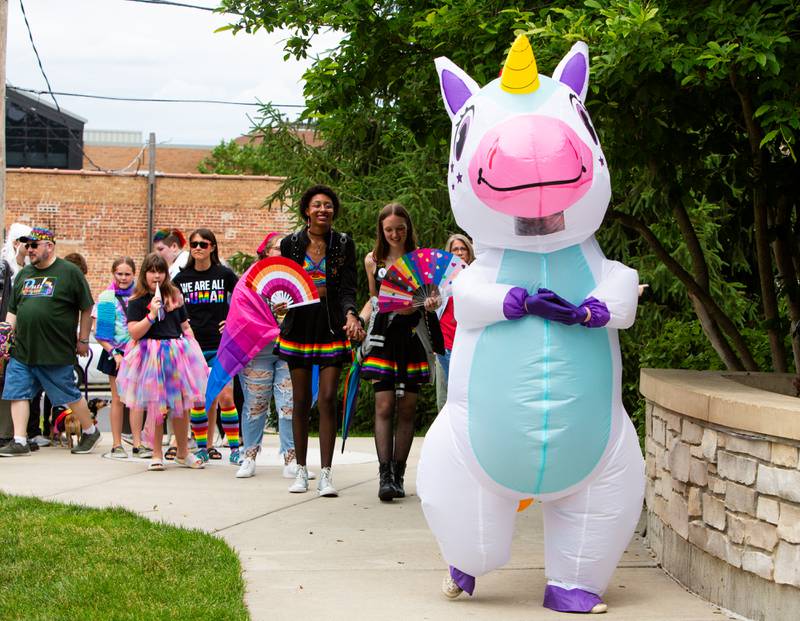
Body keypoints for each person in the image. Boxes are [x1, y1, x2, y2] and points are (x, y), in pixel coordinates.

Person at [275, 184, 363, 496]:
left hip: (330, 326)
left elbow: (348, 288)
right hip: (300, 325)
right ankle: (301, 471)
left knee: (326, 398)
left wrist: (351, 314)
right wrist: (281, 302)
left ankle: (326, 474)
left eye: (328, 205)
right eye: (317, 205)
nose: (322, 210)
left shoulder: (343, 243)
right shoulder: (291, 244)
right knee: (300, 401)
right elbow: (284, 284)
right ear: (306, 211)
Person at [358, 203, 443, 501]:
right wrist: (358, 319)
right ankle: (385, 477)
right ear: (381, 230)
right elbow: (374, 299)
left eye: (400, 229)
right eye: (389, 229)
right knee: (383, 406)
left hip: (413, 337)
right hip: (384, 337)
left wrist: (432, 301)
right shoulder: (373, 260)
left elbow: (433, 296)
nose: (395, 234)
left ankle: (399, 474)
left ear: (408, 229)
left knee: (407, 409)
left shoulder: (422, 261)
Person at [0, 227, 101, 457]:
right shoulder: (25, 274)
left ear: (50, 246)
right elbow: (14, 310)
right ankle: (19, 440)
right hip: (23, 348)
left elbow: (86, 307)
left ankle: (90, 431)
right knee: (17, 392)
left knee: (69, 394)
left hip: (54, 350)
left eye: (34, 245)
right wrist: (4, 336)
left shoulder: (69, 272)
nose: (29, 249)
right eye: (27, 245)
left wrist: (84, 339)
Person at [116, 253, 206, 471]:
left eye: (160, 271)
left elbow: (184, 326)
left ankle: (183, 452)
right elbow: (134, 333)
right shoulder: (137, 300)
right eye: (152, 271)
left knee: (182, 406)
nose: (156, 276)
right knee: (157, 406)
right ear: (144, 274)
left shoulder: (174, 294)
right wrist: (152, 314)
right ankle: (157, 453)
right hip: (151, 354)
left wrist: (195, 349)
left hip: (176, 352)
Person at [236, 233, 309, 480]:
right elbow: (241, 310)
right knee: (255, 406)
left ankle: (292, 458)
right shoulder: (250, 278)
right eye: (277, 247)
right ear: (265, 251)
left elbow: (310, 306)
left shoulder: (297, 275)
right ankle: (249, 456)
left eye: (284, 247)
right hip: (259, 351)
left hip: (290, 349)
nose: (281, 251)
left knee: (289, 405)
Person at [172, 229, 240, 464]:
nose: (198, 248)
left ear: (212, 247)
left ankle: (235, 450)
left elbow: (244, 298)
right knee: (199, 400)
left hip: (221, 345)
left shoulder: (224, 274)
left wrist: (231, 321)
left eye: (203, 244)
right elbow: (168, 306)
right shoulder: (181, 279)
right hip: (193, 347)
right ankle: (202, 449)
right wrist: (180, 326)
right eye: (194, 244)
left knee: (226, 397)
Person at [93, 257, 150, 459]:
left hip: (138, 352)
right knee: (117, 399)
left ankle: (137, 443)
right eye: (119, 274)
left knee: (136, 400)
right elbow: (101, 334)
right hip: (114, 353)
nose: (123, 278)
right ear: (113, 273)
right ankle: (117, 444)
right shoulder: (107, 297)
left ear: (134, 274)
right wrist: (114, 353)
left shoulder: (141, 295)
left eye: (127, 274)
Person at [435, 234, 475, 410]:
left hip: (467, 344)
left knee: (466, 396)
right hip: (444, 343)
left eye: (463, 249)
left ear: (469, 251)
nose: (459, 253)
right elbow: (434, 309)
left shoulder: (477, 276)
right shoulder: (440, 278)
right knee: (444, 399)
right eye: (455, 250)